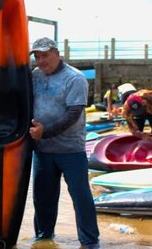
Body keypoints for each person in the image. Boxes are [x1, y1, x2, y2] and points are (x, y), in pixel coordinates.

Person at [28, 37, 100, 248]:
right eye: (37, 57)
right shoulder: (35, 76)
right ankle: (43, 238)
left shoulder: (74, 78)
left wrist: (45, 132)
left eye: (45, 56)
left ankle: (89, 241)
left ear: (57, 53)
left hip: (71, 150)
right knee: (42, 198)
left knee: (80, 197)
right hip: (42, 150)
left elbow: (73, 114)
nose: (41, 61)